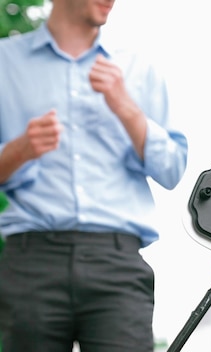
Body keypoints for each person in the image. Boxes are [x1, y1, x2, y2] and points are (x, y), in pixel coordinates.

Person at [0, 0, 188, 351]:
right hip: (31, 262)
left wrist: (126, 108)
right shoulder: (4, 63)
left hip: (117, 266)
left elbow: (173, 169)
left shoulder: (138, 67)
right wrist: (20, 149)